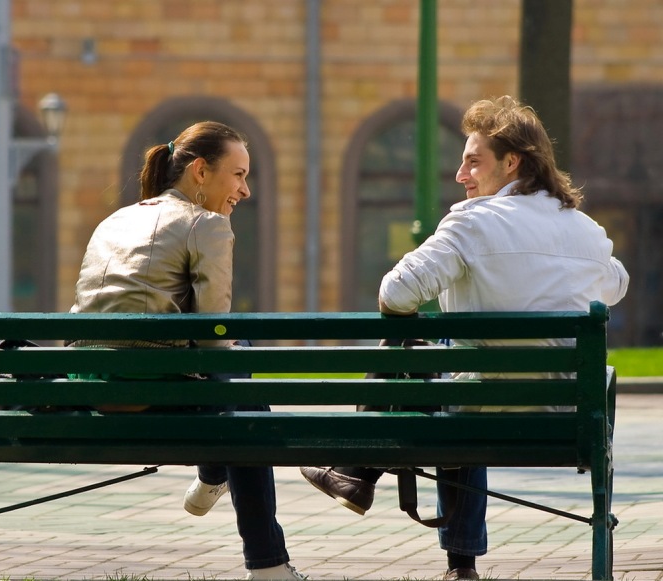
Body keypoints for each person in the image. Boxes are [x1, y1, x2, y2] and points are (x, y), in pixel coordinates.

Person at [300, 95, 629, 580]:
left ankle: (364, 478)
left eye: (473, 161)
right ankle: (358, 475)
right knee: (466, 371)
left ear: (512, 162)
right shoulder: (587, 231)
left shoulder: (473, 223)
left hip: (476, 411)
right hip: (567, 417)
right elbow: (616, 285)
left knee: (436, 362)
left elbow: (395, 294)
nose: (460, 175)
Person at [70, 121, 305, 580]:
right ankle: (265, 561)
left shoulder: (116, 219)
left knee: (238, 381)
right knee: (248, 408)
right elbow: (215, 338)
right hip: (149, 393)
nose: (246, 190)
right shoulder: (206, 224)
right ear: (200, 171)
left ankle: (214, 478)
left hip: (90, 389)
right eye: (238, 175)